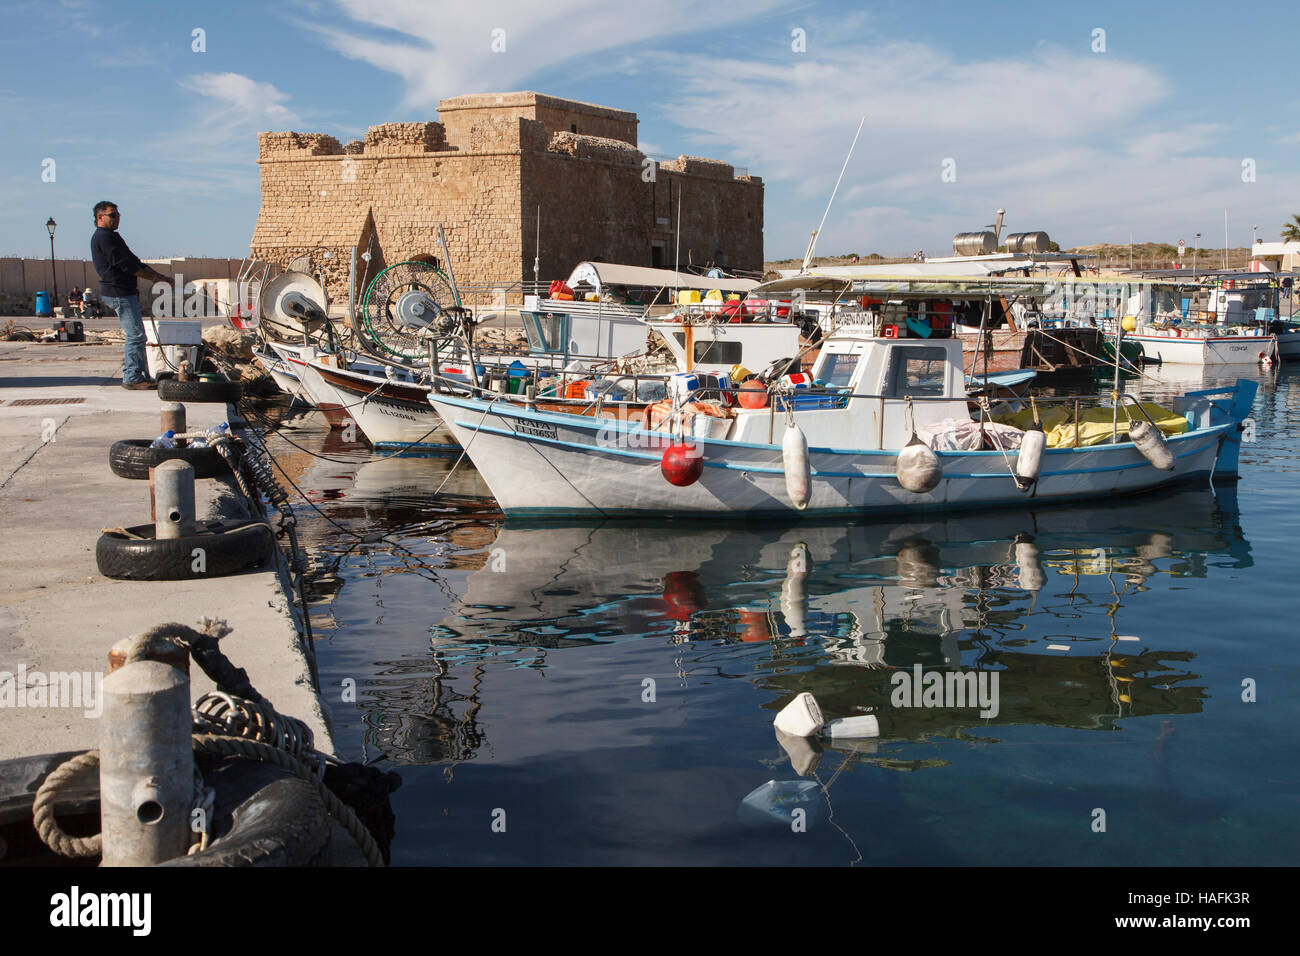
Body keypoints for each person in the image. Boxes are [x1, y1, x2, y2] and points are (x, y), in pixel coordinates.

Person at [90, 201, 170, 388]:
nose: (117, 218)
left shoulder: (112, 237)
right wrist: (155, 278)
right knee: (135, 335)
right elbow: (126, 265)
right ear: (100, 218)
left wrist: (159, 276)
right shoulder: (104, 238)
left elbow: (133, 260)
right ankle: (132, 377)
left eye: (118, 214)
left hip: (124, 292)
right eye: (112, 215)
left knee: (138, 335)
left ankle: (138, 375)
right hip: (119, 292)